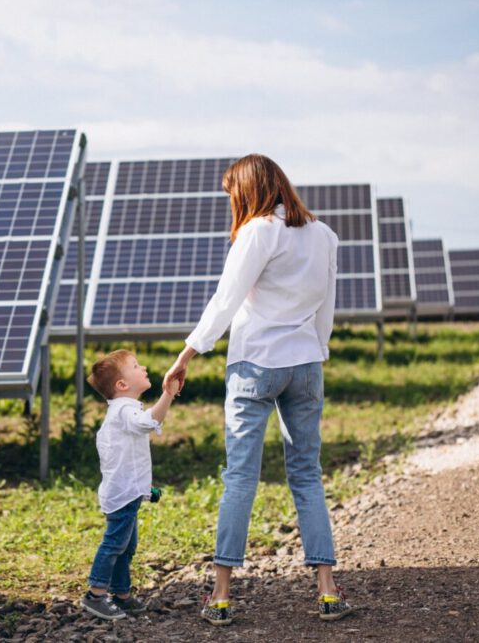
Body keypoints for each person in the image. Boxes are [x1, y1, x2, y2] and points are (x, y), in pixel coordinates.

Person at [163, 154, 353, 626]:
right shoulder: (324, 235)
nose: (232, 201)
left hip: (255, 364)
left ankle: (221, 595)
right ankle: (328, 590)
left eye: (233, 193)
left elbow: (226, 299)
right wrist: (318, 348)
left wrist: (187, 354)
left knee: (241, 478)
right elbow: (327, 304)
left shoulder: (257, 231)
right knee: (307, 474)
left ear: (248, 191)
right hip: (305, 364)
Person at [80, 349, 179, 620]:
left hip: (128, 494)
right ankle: (96, 594)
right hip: (122, 495)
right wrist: (168, 394)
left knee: (126, 547)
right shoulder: (124, 410)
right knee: (115, 545)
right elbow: (148, 423)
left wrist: (145, 492)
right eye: (136, 366)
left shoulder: (125, 409)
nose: (143, 368)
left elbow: (130, 460)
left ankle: (121, 594)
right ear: (122, 385)